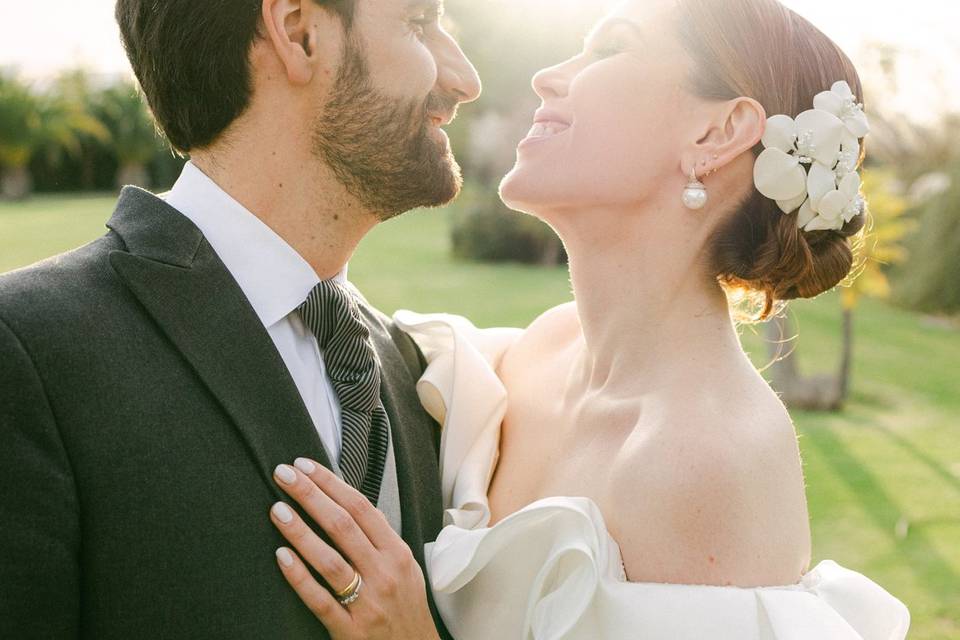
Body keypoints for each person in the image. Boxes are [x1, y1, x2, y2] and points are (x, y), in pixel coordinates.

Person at [266, 0, 912, 638]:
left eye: (608, 48)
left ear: (715, 134)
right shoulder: (538, 352)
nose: (548, 77)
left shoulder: (711, 460)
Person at [0, 0, 479, 637]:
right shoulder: (29, 349)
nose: (464, 79)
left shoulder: (410, 365)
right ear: (298, 33)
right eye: (420, 24)